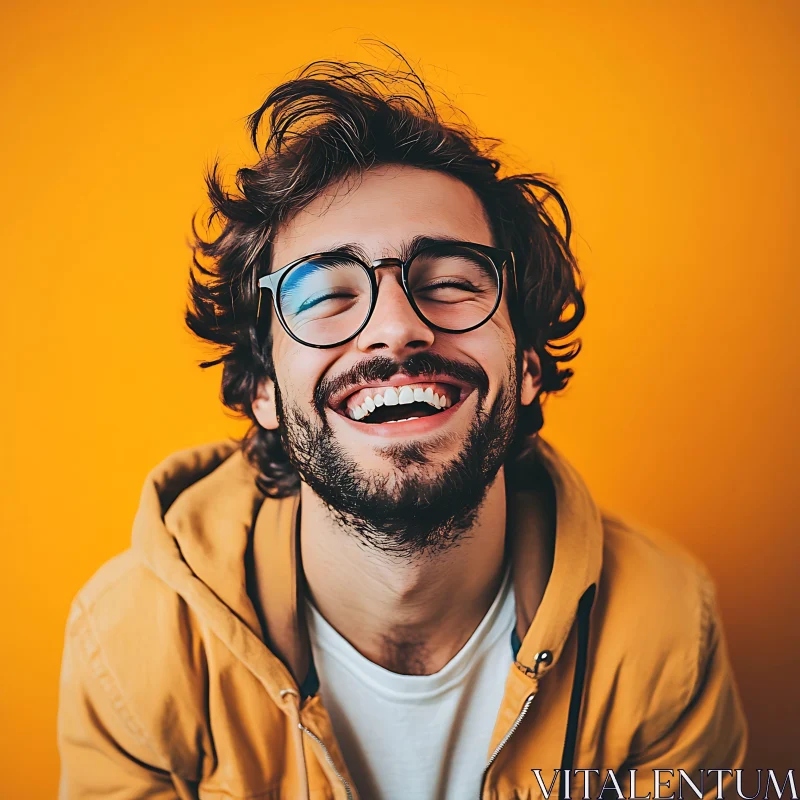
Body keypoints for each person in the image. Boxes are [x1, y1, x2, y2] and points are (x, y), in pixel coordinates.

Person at [57, 56, 747, 800]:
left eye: (450, 283)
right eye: (324, 294)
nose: (395, 327)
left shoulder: (664, 630)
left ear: (528, 365)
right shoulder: (134, 645)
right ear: (260, 388)